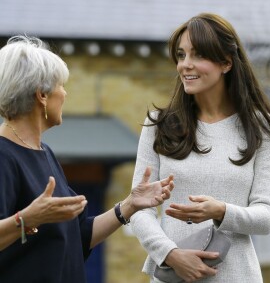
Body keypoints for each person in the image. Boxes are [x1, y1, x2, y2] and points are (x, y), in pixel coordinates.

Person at [0, 35, 175, 283]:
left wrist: (130, 204)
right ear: (42, 95)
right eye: (61, 85)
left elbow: (79, 234)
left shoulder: (44, 152)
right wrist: (27, 219)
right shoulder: (3, 155)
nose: (65, 93)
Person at [130, 12, 270, 283]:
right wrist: (170, 254)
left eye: (197, 55)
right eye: (181, 55)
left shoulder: (261, 128)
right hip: (173, 275)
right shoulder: (158, 124)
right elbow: (139, 208)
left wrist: (221, 211)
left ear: (226, 62)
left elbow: (267, 216)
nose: (185, 65)